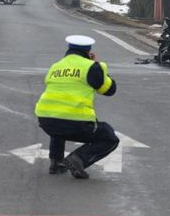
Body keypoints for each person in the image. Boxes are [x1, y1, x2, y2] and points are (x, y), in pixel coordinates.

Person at [35, 35, 119, 179]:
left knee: (59, 123)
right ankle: (79, 159)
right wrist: (98, 68)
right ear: (88, 51)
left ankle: (56, 162)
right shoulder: (91, 67)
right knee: (109, 138)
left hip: (46, 120)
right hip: (77, 123)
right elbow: (109, 90)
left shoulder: (56, 66)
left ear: (69, 49)